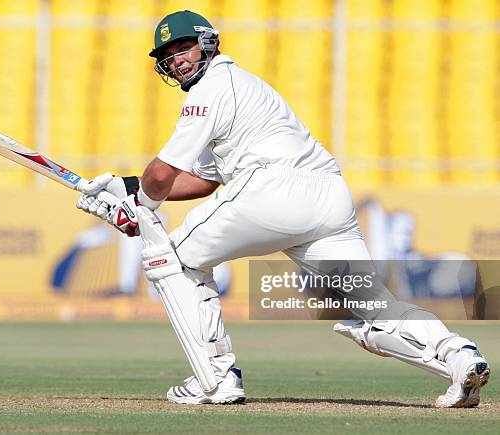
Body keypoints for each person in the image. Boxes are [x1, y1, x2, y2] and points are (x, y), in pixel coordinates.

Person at [75, 10, 490, 407]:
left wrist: (139, 208)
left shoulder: (210, 89)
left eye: (183, 48)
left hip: (273, 188)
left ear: (207, 44)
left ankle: (215, 380)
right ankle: (459, 358)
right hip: (327, 196)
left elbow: (162, 177)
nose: (177, 61)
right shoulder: (245, 86)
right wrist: (125, 187)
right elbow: (202, 179)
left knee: (174, 260)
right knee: (371, 306)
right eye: (168, 56)